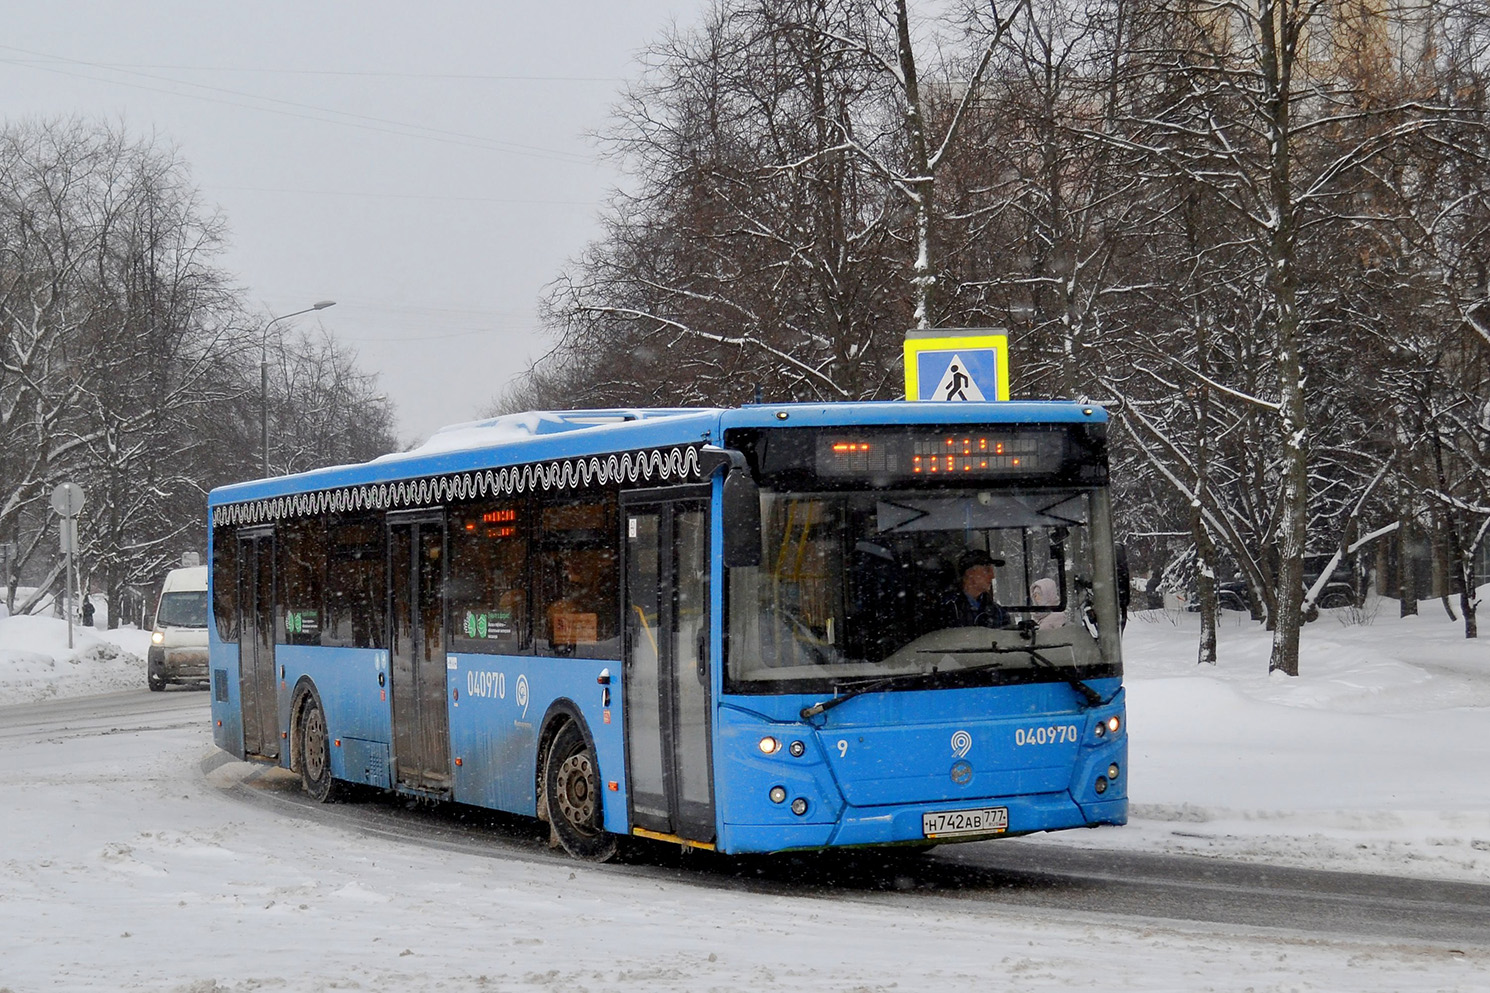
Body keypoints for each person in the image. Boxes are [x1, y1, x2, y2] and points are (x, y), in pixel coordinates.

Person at [940, 549, 1009, 628]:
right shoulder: (945, 607)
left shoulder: (998, 612)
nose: (992, 576)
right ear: (969, 573)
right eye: (987, 570)